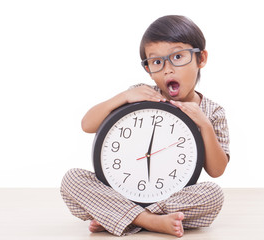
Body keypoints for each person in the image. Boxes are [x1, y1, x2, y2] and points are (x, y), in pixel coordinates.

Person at [60, 15, 230, 237]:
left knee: (213, 196)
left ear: (201, 58)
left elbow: (216, 171)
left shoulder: (212, 112)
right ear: (148, 68)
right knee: (72, 180)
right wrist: (123, 96)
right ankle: (151, 221)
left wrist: (205, 125)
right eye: (157, 62)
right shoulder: (142, 94)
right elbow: (87, 124)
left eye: (178, 56)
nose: (168, 69)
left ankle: (115, 216)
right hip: (122, 192)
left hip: (172, 197)